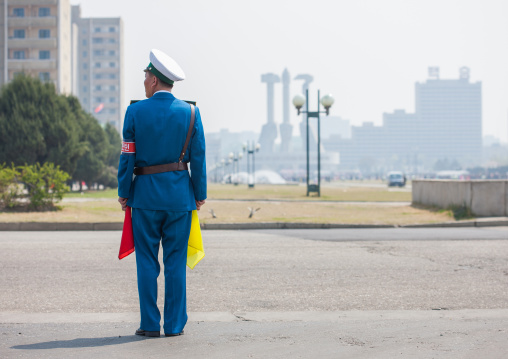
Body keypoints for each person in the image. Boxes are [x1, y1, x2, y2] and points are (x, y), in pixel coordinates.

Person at [117, 49, 206, 338]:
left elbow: (127, 156)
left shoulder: (135, 111)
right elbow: (199, 158)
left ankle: (149, 325)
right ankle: (175, 325)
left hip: (144, 198)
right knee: (175, 264)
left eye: (145, 76)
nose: (143, 81)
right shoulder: (192, 112)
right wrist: (199, 193)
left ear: (154, 81)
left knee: (146, 261)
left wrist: (123, 191)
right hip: (180, 199)